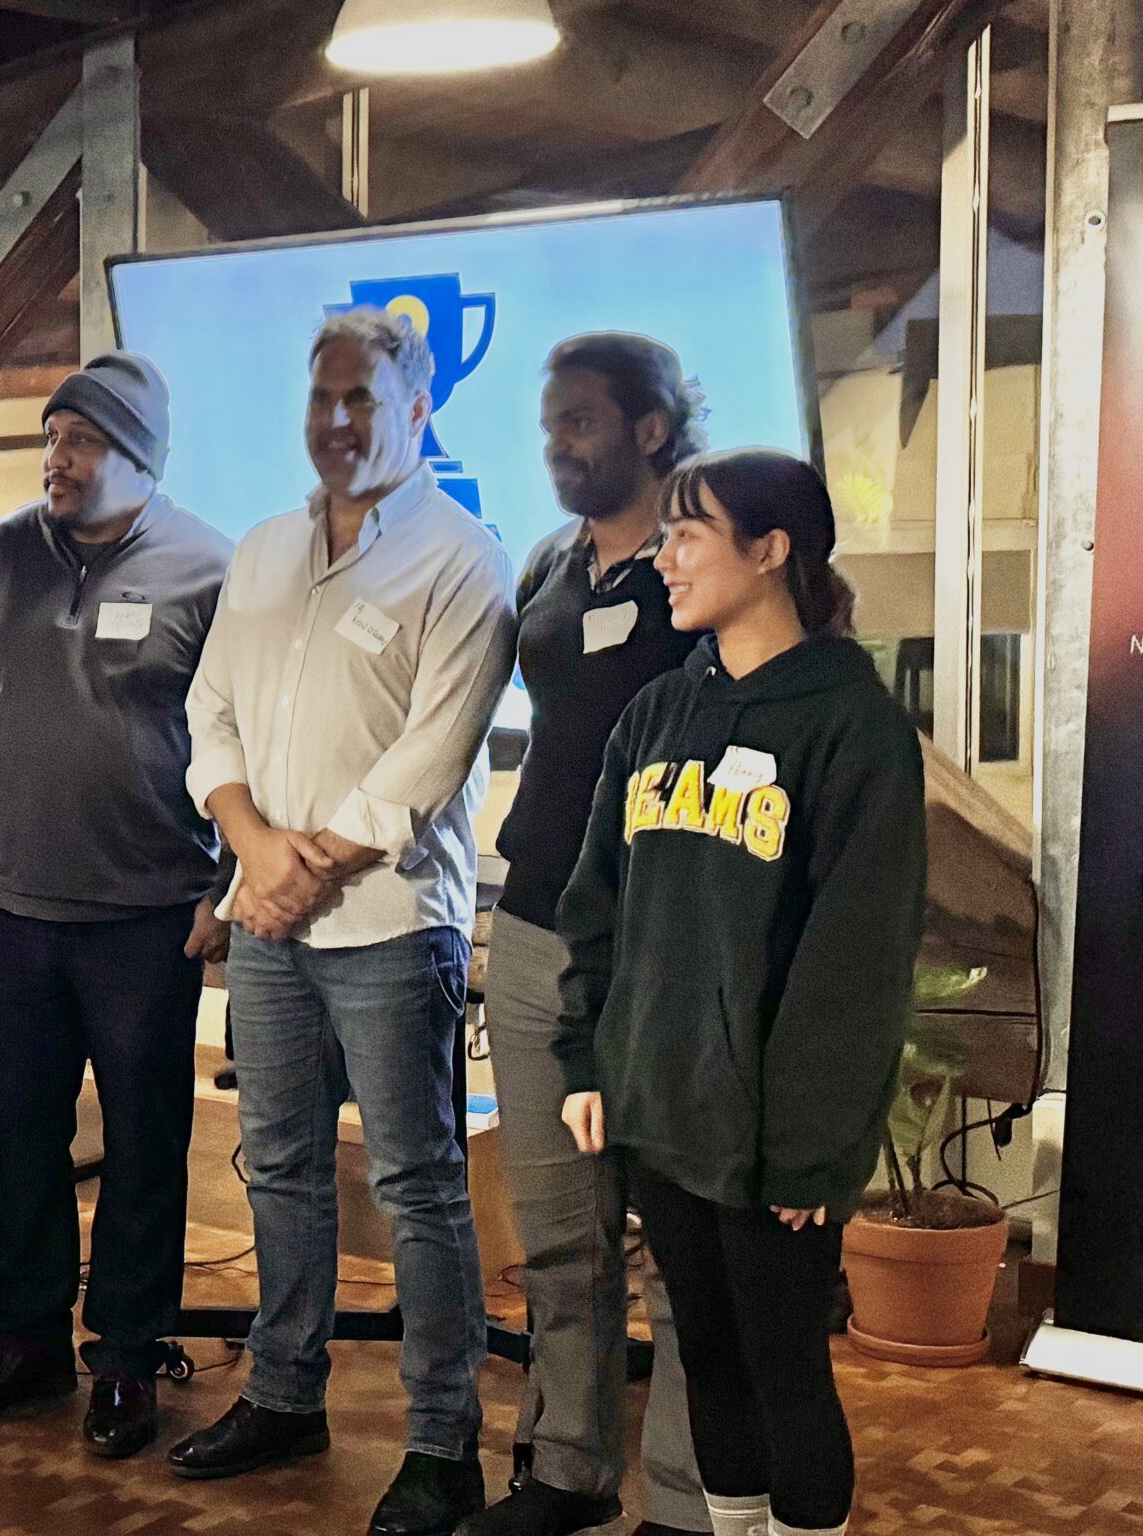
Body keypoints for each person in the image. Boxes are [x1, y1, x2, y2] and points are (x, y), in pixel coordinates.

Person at [173, 307, 517, 1536]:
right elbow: (209, 713)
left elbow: (432, 755)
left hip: (388, 924)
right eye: (320, 398)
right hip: (270, 924)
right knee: (277, 1165)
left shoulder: (463, 559)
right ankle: (283, 1394)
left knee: (417, 1185)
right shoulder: (264, 549)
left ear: (417, 409)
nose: (334, 420)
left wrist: (294, 870)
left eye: (359, 399)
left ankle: (440, 1446)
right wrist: (252, 850)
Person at [555, 449, 925, 1536]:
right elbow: (597, 902)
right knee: (706, 1360)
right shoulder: (656, 714)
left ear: (769, 552)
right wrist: (587, 1061)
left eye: (687, 535)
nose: (662, 558)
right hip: (659, 1109)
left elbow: (854, 962)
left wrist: (811, 1147)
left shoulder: (851, 726)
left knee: (783, 1370)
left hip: (770, 1137)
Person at [0, 352, 233, 1461]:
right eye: (51, 438)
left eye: (82, 441)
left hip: (149, 915)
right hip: (10, 913)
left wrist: (226, 885)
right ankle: (25, 1343)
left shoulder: (210, 569)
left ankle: (127, 1357)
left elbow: (248, 737)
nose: (55, 458)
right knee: (17, 1142)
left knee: (145, 1147)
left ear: (140, 457)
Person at [467, 334, 711, 1536]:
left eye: (579, 421)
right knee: (560, 1237)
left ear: (650, 429)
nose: (556, 445)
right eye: (549, 424)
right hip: (530, 929)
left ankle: (685, 1499)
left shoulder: (701, 569)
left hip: (659, 946)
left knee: (675, 1245)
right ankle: (565, 1469)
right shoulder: (551, 567)